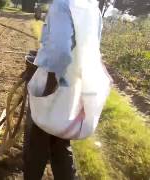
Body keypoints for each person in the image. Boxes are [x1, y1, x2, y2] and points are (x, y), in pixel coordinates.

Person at [23, 0, 103, 179]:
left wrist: (49, 88)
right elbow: (92, 51)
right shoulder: (92, 9)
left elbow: (60, 52)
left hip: (54, 83)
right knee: (60, 141)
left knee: (36, 144)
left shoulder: (62, 4)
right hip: (73, 86)